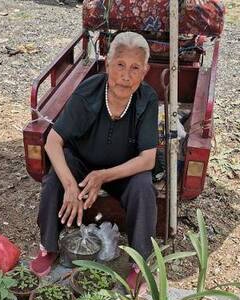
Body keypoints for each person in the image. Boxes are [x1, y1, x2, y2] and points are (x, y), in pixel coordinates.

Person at [31, 32, 159, 286]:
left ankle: (140, 261)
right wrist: (70, 185)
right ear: (108, 64)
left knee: (144, 186)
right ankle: (49, 247)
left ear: (145, 71)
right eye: (120, 65)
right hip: (82, 164)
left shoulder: (147, 99)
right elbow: (53, 142)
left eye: (135, 68)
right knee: (55, 178)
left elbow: (148, 159)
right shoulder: (88, 92)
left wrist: (103, 176)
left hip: (122, 170)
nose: (126, 75)